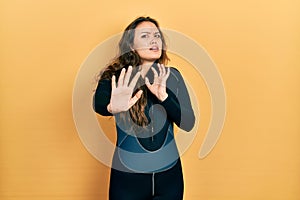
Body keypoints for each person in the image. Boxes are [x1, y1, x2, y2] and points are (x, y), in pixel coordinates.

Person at [93, 16, 195, 200]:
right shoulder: (117, 77)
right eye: (145, 36)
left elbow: (188, 122)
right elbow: (98, 103)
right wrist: (111, 106)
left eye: (157, 35)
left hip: (169, 180)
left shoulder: (172, 76)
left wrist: (164, 97)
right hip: (127, 182)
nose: (154, 40)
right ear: (131, 46)